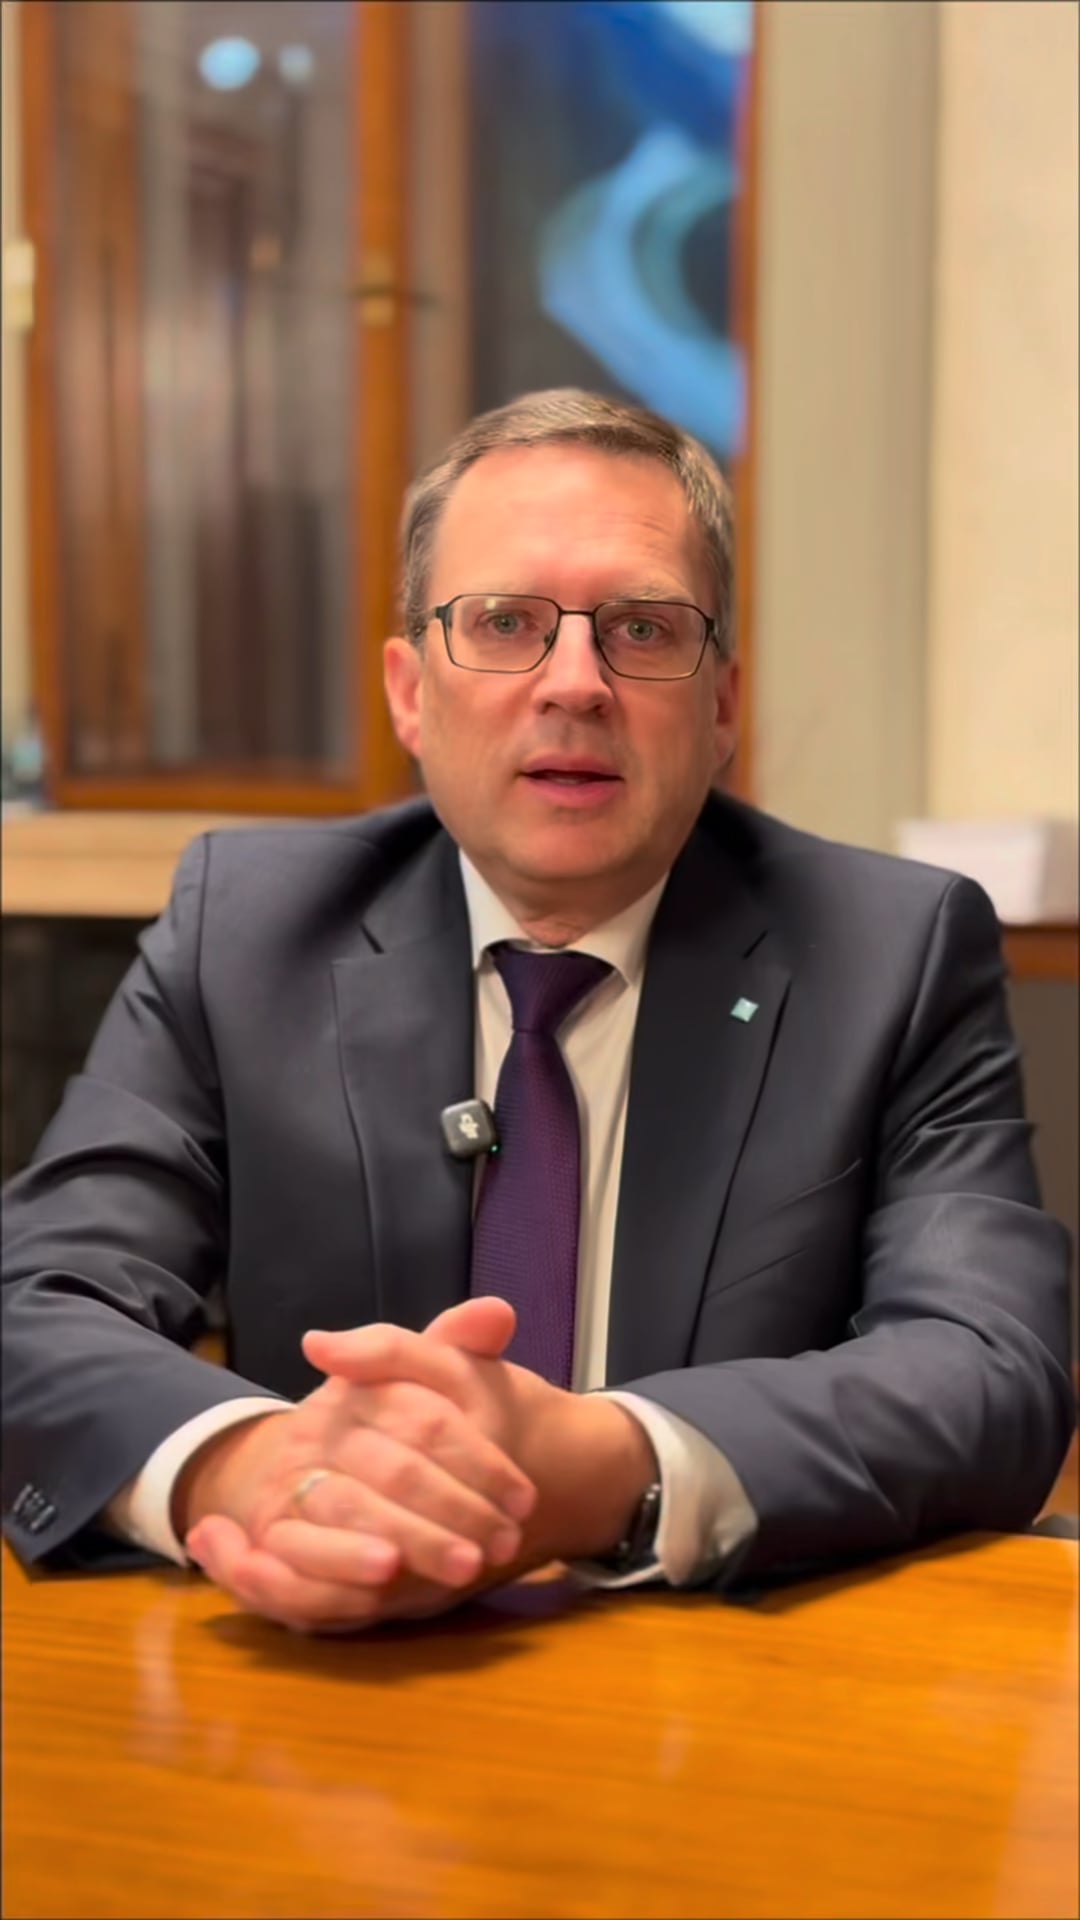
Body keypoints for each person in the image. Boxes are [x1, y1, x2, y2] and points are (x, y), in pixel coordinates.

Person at [2, 389, 1073, 1635]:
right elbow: (40, 1298)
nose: (576, 683)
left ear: (722, 705)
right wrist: (252, 1471)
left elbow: (989, 1368)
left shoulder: (891, 952)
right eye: (506, 622)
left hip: (721, 1675)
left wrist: (603, 1469)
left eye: (643, 629)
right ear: (410, 692)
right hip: (332, 1657)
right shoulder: (245, 930)